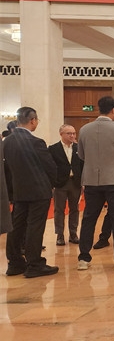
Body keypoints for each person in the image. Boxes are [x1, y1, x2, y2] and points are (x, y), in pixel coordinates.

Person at [77, 96, 114, 270]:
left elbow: (81, 155)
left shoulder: (85, 129)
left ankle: (83, 259)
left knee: (89, 218)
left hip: (91, 180)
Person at [3, 107, 58, 278]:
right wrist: (52, 183)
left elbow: (6, 169)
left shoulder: (7, 142)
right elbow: (50, 167)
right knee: (35, 226)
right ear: (33, 120)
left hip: (19, 190)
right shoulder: (36, 142)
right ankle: (34, 264)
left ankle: (14, 263)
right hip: (38, 190)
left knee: (17, 226)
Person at [48, 124, 83, 246]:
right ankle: (60, 235)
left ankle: (73, 233)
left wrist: (83, 181)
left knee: (75, 209)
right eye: (69, 133)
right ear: (61, 134)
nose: (72, 136)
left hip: (75, 182)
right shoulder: (53, 149)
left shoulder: (79, 148)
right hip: (60, 183)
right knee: (59, 210)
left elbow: (82, 165)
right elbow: (50, 166)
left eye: (73, 133)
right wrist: (53, 182)